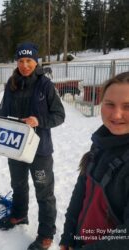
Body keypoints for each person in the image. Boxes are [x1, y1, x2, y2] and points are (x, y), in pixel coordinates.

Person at [0, 42, 65, 250]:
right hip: (15, 146)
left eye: (29, 61)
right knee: (18, 185)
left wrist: (39, 121)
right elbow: (2, 111)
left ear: (36, 61)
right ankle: (19, 214)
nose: (24, 65)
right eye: (20, 61)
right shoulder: (12, 84)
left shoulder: (45, 85)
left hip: (40, 150)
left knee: (44, 192)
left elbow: (59, 115)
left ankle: (46, 234)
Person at [60, 71, 129, 250]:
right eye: (110, 104)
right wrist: (69, 235)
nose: (117, 115)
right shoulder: (100, 143)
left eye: (127, 106)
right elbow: (81, 191)